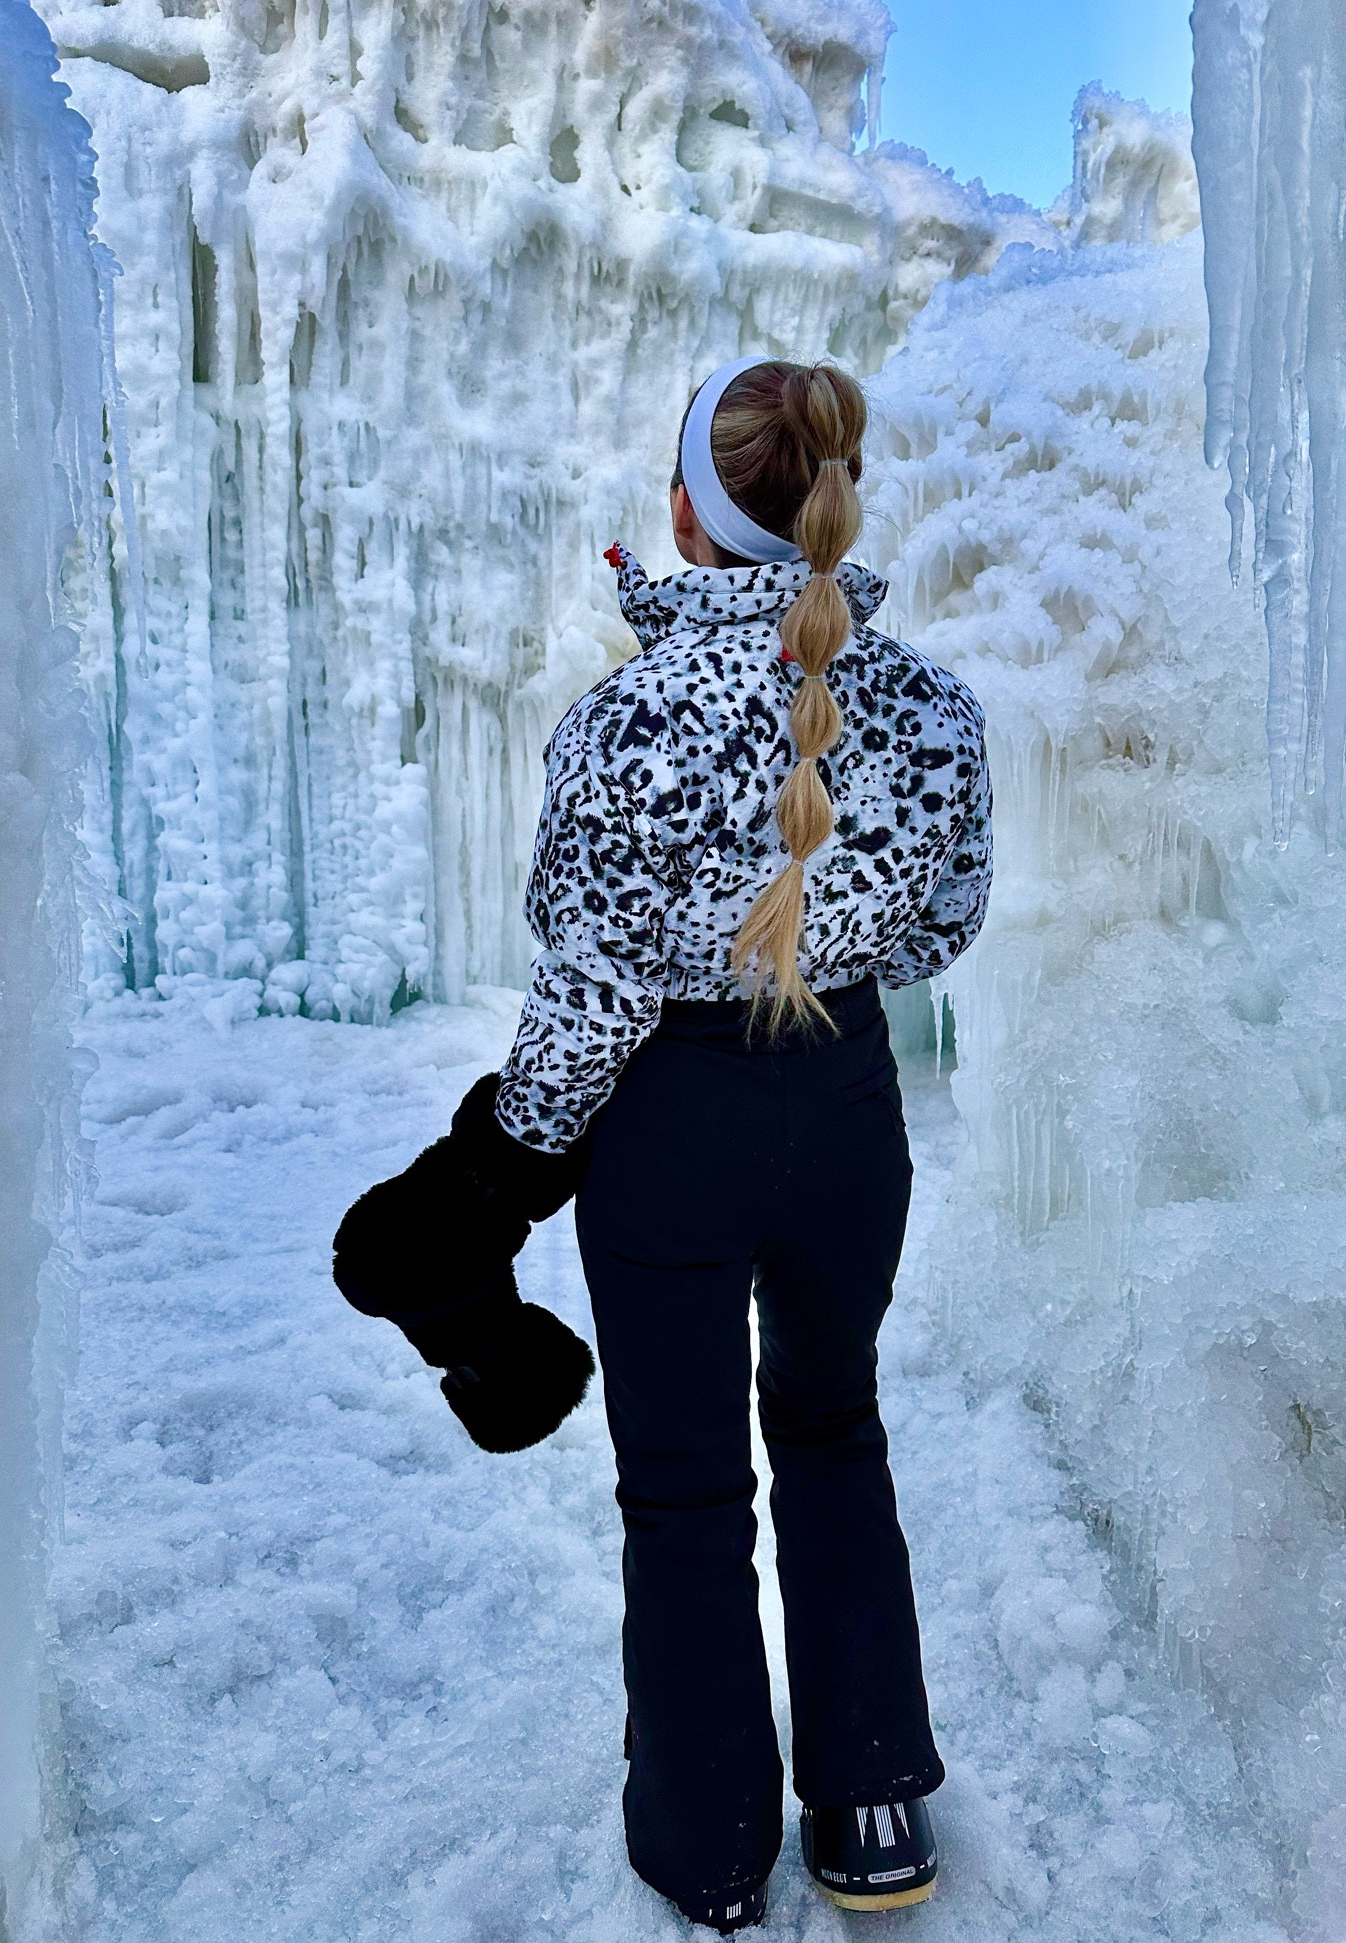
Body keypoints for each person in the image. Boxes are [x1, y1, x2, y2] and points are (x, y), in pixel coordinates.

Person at [333, 356, 993, 1932]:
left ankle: (706, 1845)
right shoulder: (938, 712)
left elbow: (590, 984)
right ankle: (874, 1806)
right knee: (835, 1432)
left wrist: (498, 1161)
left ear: (692, 513)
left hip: (666, 1127)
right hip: (841, 1115)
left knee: (683, 1488)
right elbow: (940, 933)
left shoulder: (619, 726)